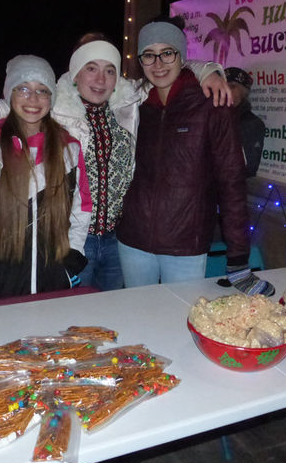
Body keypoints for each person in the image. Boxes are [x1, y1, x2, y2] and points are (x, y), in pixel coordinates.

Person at [0, 34, 230, 291]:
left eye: (110, 70)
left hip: (120, 240)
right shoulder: (51, 106)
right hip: (72, 239)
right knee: (75, 318)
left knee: (112, 314)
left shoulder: (129, 102)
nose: (101, 79)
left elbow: (165, 69)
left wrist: (209, 70)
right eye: (91, 68)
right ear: (76, 74)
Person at [115, 17, 275, 297]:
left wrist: (238, 259)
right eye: (149, 55)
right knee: (137, 317)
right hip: (133, 241)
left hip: (185, 245)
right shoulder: (134, 106)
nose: (158, 63)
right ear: (140, 61)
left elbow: (231, 182)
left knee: (181, 321)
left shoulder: (212, 105)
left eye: (167, 52)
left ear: (182, 57)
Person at [0, 55, 90, 307]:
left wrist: (72, 261)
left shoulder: (69, 148)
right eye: (23, 88)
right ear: (9, 94)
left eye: (42, 90)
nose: (33, 99)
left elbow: (82, 209)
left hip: (54, 284)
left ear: (51, 98)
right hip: (1, 288)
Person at [225, 67, 265, 177]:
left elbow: (249, 168)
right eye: (224, 86)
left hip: (230, 189)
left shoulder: (252, 124)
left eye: (232, 86)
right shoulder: (213, 117)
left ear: (243, 92)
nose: (227, 90)